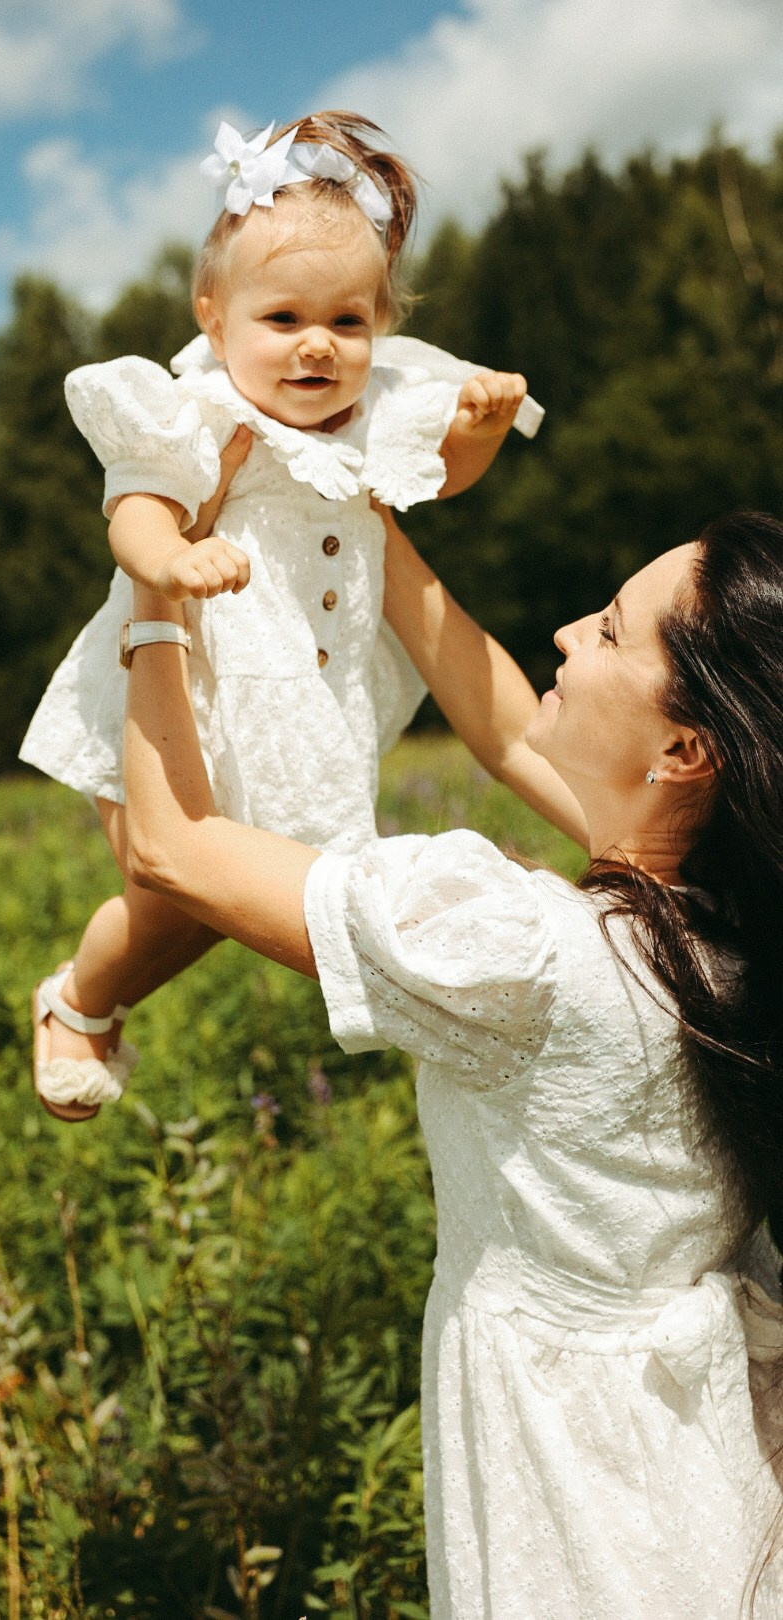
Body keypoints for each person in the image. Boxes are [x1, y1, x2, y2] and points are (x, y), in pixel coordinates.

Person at [117, 502, 783, 1617]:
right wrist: (370, 528)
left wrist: (151, 598)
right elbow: (510, 731)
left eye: (612, 631)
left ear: (683, 750)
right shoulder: (727, 937)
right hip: (695, 1451)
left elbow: (172, 848)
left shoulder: (531, 959)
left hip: (571, 1477)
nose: (569, 632)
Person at [19, 111, 542, 1119]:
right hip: (172, 690)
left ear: (379, 328)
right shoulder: (198, 413)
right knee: (170, 887)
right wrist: (172, 554)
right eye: (284, 320)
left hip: (299, 704)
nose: (319, 347)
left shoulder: (378, 413)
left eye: (348, 323)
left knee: (230, 902)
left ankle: (107, 1003)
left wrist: (477, 434)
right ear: (213, 318)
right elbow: (133, 514)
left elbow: (438, 477)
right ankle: (77, 1001)